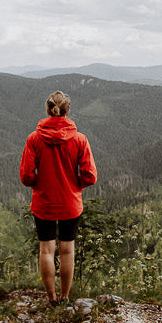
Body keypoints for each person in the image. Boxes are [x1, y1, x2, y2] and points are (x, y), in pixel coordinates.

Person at [19, 90, 97, 305]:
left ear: (48, 110)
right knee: (67, 249)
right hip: (70, 203)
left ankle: (51, 298)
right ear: (67, 111)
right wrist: (74, 186)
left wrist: (39, 184)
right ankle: (64, 297)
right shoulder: (80, 140)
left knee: (46, 250)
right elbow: (90, 176)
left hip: (43, 202)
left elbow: (26, 176)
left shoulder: (34, 139)